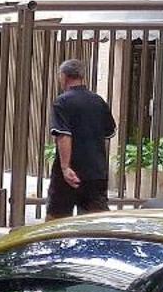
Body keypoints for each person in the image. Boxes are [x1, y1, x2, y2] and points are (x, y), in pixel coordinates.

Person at [48, 58, 115, 217]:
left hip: (69, 174)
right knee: (94, 223)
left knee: (57, 221)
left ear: (63, 76)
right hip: (95, 171)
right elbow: (109, 132)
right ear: (82, 76)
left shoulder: (62, 102)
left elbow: (64, 135)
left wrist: (65, 167)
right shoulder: (98, 101)